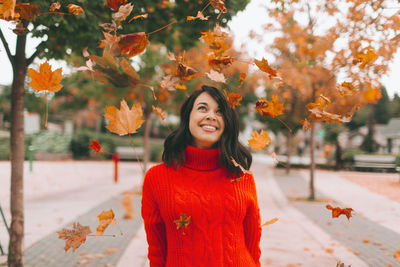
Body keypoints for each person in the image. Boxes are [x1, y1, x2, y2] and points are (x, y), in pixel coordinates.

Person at [141, 85, 262, 267]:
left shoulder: (242, 177)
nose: (211, 116)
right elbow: (157, 250)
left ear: (227, 122)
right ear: (188, 116)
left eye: (220, 111)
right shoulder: (156, 178)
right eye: (202, 108)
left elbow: (253, 244)